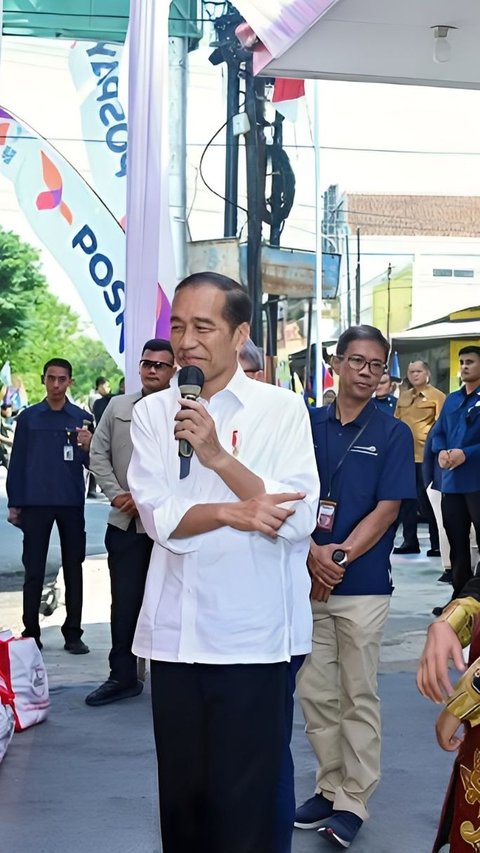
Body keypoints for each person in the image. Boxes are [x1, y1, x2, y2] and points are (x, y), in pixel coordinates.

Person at [127, 271, 319, 853]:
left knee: (249, 806)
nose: (186, 341)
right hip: (176, 640)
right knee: (183, 808)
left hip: (252, 642)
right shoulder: (153, 413)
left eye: (203, 326)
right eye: (178, 326)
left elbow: (297, 517)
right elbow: (160, 518)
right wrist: (237, 511)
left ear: (239, 334)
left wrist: (216, 455)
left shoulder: (281, 409)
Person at [294, 324, 416, 849]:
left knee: (357, 694)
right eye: (358, 362)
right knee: (316, 694)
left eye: (377, 365)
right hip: (306, 578)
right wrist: (310, 554)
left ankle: (353, 800)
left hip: (360, 584)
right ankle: (328, 785)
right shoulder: (305, 424)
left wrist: (336, 558)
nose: (367, 373)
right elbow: (288, 496)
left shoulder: (393, 433)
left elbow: (387, 510)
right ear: (336, 363)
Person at [85, 339, 176, 707]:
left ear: (173, 371)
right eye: (147, 364)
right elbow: (98, 452)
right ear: (139, 368)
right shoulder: (117, 406)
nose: (153, 370)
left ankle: (172, 676)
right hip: (124, 523)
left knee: (170, 602)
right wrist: (118, 494)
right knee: (124, 602)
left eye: (161, 365)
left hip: (170, 527)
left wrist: (153, 502)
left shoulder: (185, 409)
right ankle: (123, 675)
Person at [6, 358, 93, 653]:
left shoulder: (82, 419)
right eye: (51, 378)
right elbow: (16, 462)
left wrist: (88, 445)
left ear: (70, 382)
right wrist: (15, 502)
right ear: (43, 380)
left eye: (62, 379)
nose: (56, 384)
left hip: (70, 503)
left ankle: (73, 633)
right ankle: (31, 630)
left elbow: (94, 463)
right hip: (35, 502)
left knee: (74, 567)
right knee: (33, 568)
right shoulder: (29, 418)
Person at [429, 346, 480, 600]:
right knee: (456, 545)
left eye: (470, 361)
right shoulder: (452, 399)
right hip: (452, 483)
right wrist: (439, 451)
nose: (464, 366)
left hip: (476, 482)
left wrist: (467, 453)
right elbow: (438, 431)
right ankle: (459, 599)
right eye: (461, 362)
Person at [394, 360, 445, 556]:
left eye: (418, 371)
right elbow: (396, 422)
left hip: (426, 457)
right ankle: (410, 541)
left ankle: (437, 544)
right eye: (411, 371)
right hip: (405, 456)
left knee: (429, 502)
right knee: (407, 501)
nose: (414, 375)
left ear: (427, 373)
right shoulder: (404, 397)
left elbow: (441, 427)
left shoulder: (437, 397)